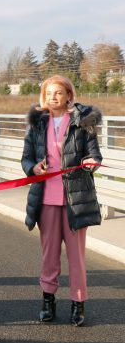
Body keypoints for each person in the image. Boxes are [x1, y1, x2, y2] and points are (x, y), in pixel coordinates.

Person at [21, 75, 102, 327]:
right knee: (49, 255)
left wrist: (91, 163)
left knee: (76, 256)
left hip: (75, 199)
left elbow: (94, 154)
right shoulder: (36, 125)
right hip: (45, 198)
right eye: (48, 92)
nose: (52, 97)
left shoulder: (83, 123)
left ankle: (78, 303)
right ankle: (48, 301)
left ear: (69, 95)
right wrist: (34, 168)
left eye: (58, 92)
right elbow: (26, 160)